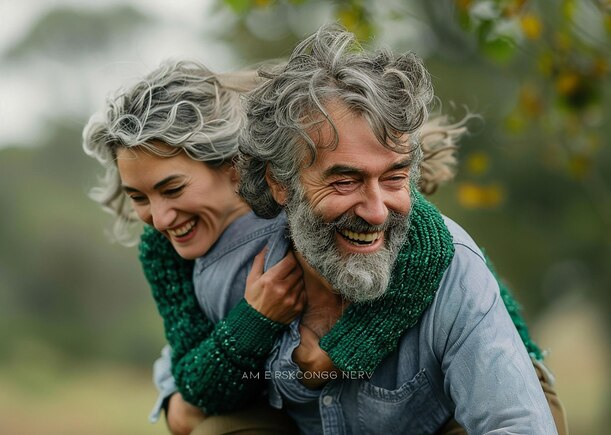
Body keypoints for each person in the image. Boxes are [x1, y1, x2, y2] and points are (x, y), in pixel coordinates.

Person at [82, 59, 471, 435]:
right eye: (139, 197)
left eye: (172, 189)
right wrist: (255, 319)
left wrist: (337, 354)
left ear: (233, 167)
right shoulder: (162, 251)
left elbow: (430, 246)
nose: (161, 217)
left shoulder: (301, 192)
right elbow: (197, 385)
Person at [233, 24, 565, 434]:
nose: (376, 213)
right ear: (279, 183)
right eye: (345, 181)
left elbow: (519, 424)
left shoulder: (452, 266)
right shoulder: (237, 258)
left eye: (394, 178)